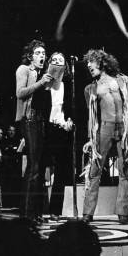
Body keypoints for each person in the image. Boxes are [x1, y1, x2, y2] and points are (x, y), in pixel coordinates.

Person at [82, 49, 128, 224]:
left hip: (123, 128)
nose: (88, 65)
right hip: (104, 128)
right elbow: (92, 116)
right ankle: (88, 212)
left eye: (91, 61)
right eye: (87, 63)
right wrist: (90, 138)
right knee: (95, 170)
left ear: (101, 63)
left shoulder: (122, 81)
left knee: (125, 169)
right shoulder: (91, 88)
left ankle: (123, 212)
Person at [15, 40, 53, 221]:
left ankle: (36, 211)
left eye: (43, 53)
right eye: (38, 53)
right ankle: (27, 212)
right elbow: (20, 93)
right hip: (28, 119)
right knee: (34, 165)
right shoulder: (24, 69)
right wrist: (40, 83)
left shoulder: (43, 73)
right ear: (30, 56)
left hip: (40, 120)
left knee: (39, 165)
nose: (42, 56)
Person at [45, 52, 75, 220]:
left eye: (60, 61)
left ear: (65, 66)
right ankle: (38, 209)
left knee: (61, 171)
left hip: (62, 130)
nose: (57, 63)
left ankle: (55, 210)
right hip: (47, 128)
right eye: (54, 60)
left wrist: (69, 120)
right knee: (43, 168)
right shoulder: (44, 83)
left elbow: (69, 108)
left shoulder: (68, 85)